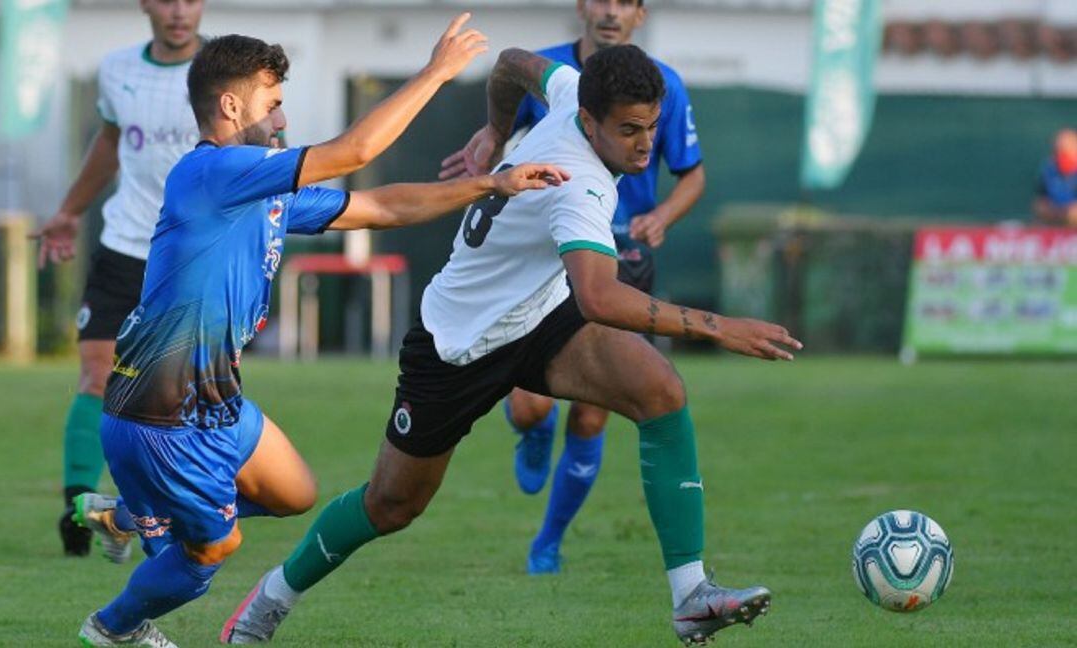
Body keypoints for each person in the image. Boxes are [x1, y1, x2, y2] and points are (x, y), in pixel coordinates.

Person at [223, 44, 800, 645]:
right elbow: (602, 299)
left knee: (661, 391)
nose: (644, 145)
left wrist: (496, 130)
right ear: (588, 119)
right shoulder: (581, 189)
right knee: (391, 506)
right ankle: (269, 600)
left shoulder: (570, 87)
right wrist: (721, 327)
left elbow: (511, 62)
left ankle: (691, 596)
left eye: (651, 127)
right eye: (628, 131)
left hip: (539, 318)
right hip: (457, 345)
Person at [77, 19, 568, 647]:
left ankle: (124, 514)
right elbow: (356, 152)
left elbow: (383, 207)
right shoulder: (212, 174)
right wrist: (436, 73)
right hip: (164, 414)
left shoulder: (263, 193)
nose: (281, 121)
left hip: (215, 405)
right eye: (272, 104)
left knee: (295, 493)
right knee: (214, 549)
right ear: (230, 106)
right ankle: (115, 627)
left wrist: (489, 184)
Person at [444, 0, 706, 576]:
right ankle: (532, 431)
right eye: (602, 0)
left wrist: (664, 215)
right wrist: (488, 141)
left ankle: (549, 541)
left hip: (620, 262)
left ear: (641, 13)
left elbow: (692, 173)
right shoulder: (561, 77)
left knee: (591, 417)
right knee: (531, 407)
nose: (611, 12)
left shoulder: (664, 85)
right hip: (546, 257)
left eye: (626, 2)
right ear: (582, 6)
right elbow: (507, 108)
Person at [31, 0, 205, 560]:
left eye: (190, 0)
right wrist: (71, 209)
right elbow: (110, 141)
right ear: (145, 5)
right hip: (123, 247)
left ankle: (141, 515)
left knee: (177, 398)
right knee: (96, 374)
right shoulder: (117, 68)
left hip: (189, 256)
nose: (179, 12)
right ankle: (80, 509)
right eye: (166, 0)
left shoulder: (225, 71)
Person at [1033, 128, 1077, 227]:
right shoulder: (1050, 169)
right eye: (1058, 149)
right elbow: (1039, 203)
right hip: (1054, 217)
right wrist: (1058, 212)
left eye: (1066, 149)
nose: (1062, 154)